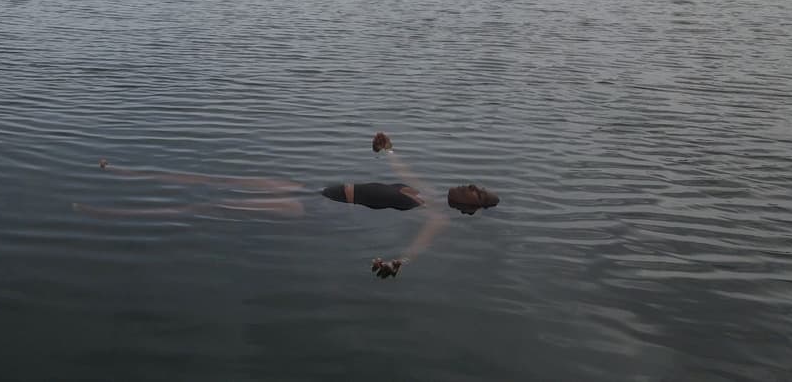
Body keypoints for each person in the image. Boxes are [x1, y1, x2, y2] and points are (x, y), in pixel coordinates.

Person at [79, 132, 499, 279]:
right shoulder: (425, 191)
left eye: (475, 192)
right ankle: (125, 172)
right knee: (216, 182)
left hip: (318, 209)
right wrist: (385, 148)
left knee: (215, 205)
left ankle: (116, 214)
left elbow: (416, 250)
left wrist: (397, 264)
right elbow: (397, 163)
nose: (470, 186)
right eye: (474, 185)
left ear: (470, 210)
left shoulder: (436, 218)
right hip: (316, 190)